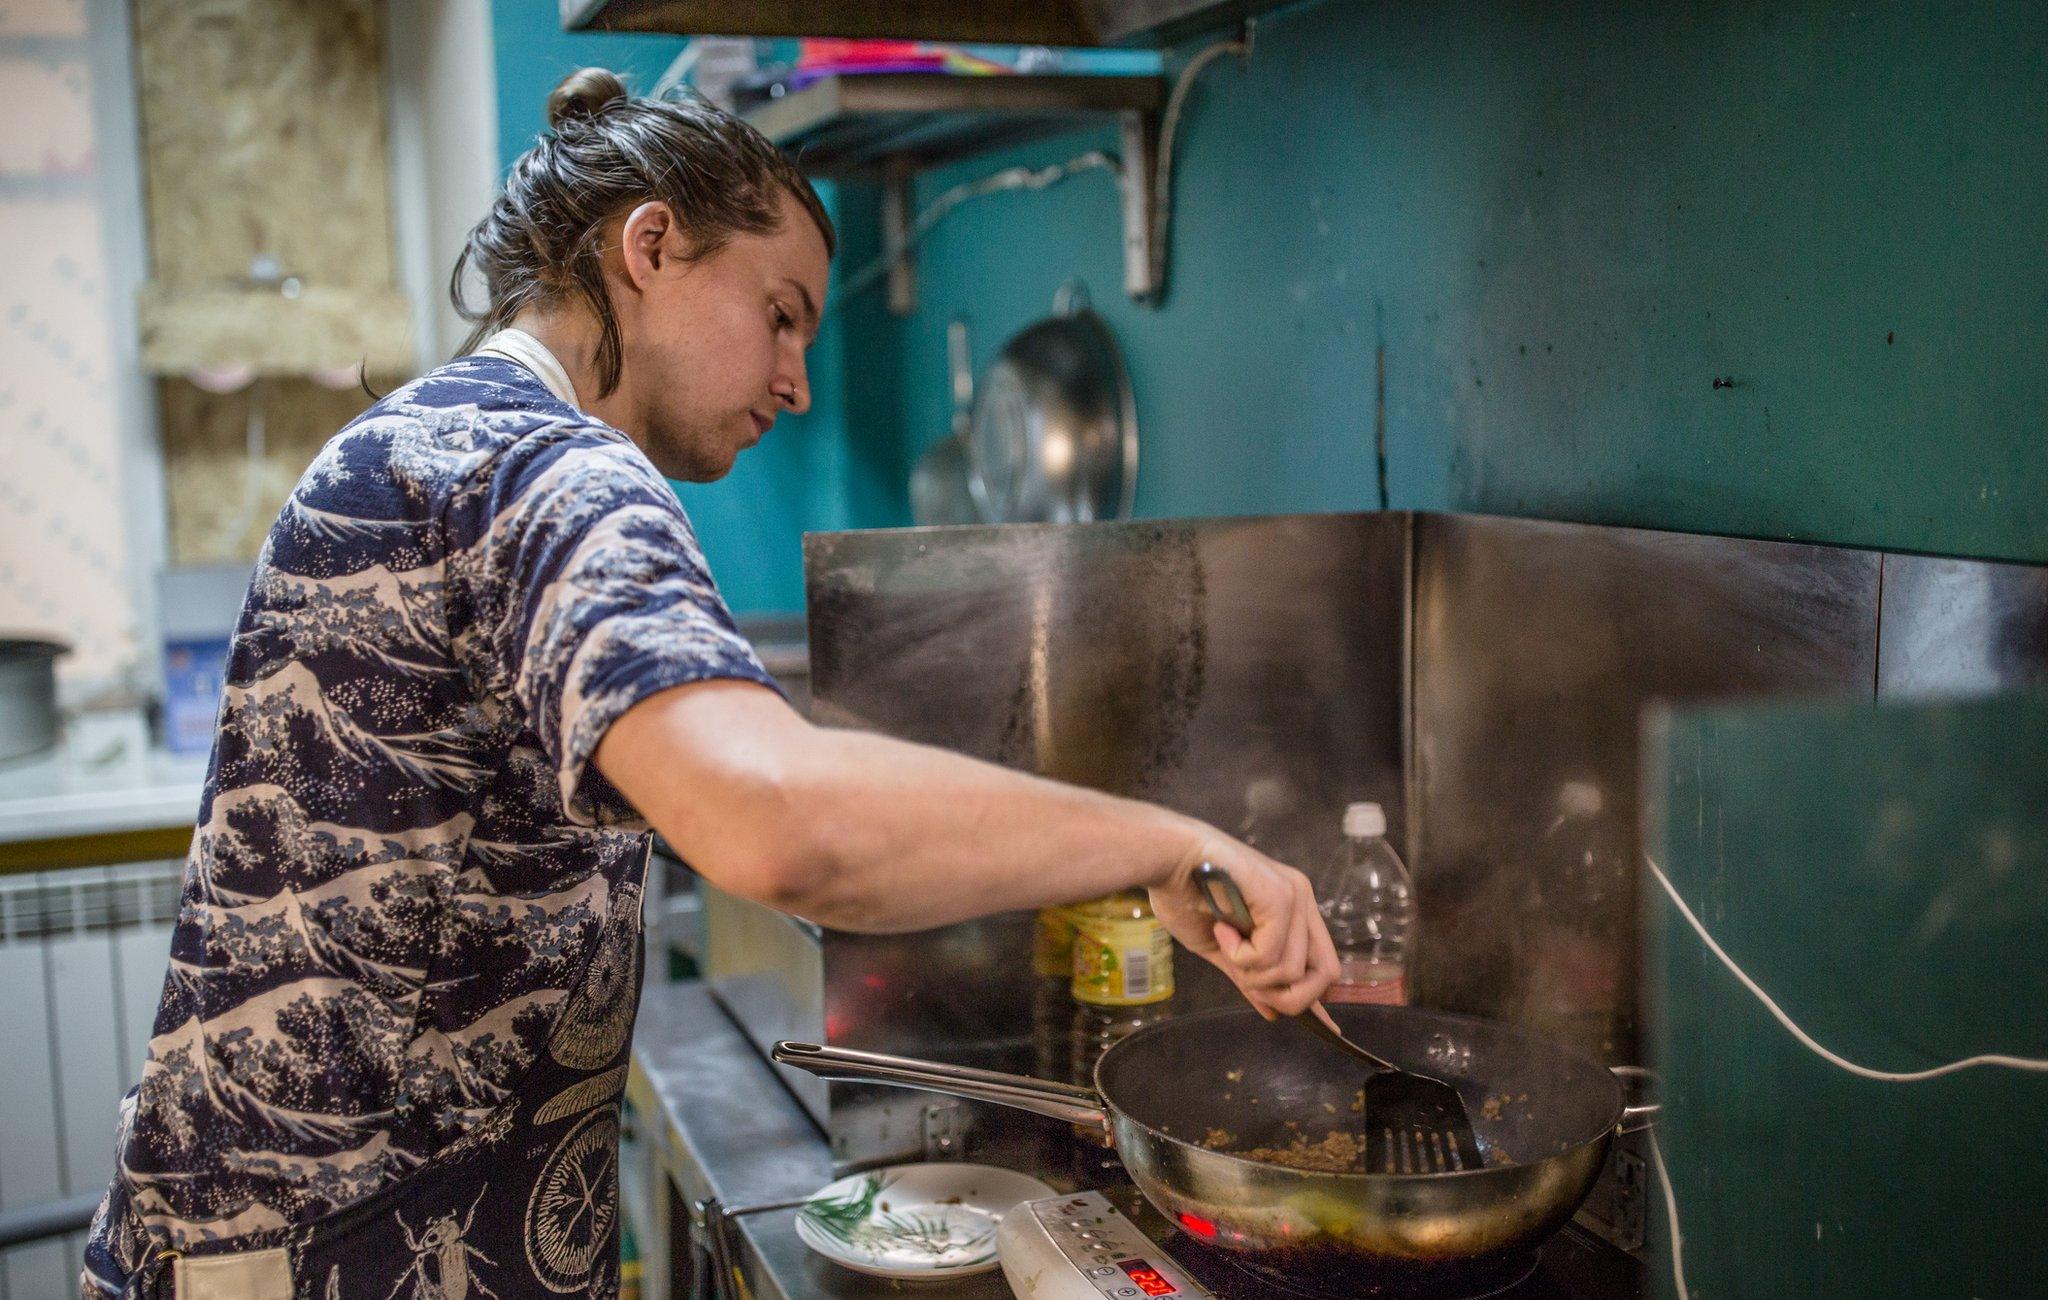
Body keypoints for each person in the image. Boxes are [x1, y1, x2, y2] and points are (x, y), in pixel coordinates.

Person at [82, 68, 1337, 1298]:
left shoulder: (426, 435)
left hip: (247, 1236)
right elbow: (773, 820)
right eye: (780, 313)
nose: (794, 379)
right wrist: (1165, 847)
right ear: (651, 245)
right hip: (348, 1257)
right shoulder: (555, 469)